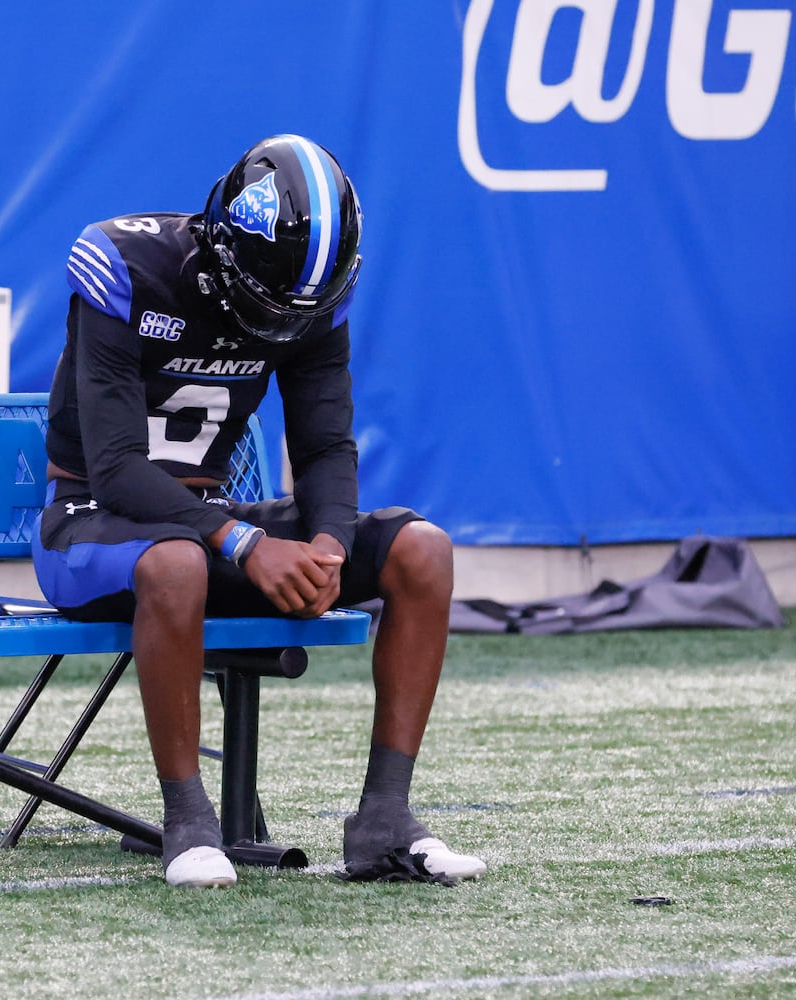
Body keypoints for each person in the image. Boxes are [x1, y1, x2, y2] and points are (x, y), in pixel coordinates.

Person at [32, 134, 486, 888]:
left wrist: (330, 548)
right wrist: (244, 542)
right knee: (176, 564)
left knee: (422, 549)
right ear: (221, 249)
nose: (282, 321)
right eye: (267, 300)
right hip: (90, 520)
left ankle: (384, 820)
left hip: (210, 522)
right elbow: (113, 469)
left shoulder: (312, 299)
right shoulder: (122, 262)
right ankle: (188, 824)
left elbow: (325, 449)